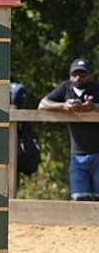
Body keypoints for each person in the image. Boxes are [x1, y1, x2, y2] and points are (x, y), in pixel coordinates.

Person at [39, 58, 99, 200]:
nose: (78, 78)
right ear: (69, 75)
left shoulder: (97, 88)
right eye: (75, 74)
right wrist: (64, 106)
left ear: (90, 76)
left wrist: (94, 107)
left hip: (98, 153)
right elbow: (42, 104)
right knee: (79, 198)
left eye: (83, 74)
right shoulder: (65, 88)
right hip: (76, 154)